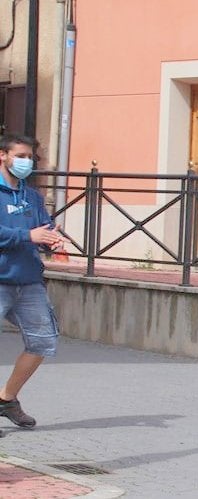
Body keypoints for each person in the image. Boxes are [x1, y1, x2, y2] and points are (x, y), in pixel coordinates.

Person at [0, 134, 65, 428]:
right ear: (3, 155)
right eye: (21, 155)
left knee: (43, 342)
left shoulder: (31, 196)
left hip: (28, 281)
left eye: (30, 157)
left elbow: (42, 228)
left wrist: (52, 239)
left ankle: (6, 400)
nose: (26, 162)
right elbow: (25, 234)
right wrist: (28, 236)